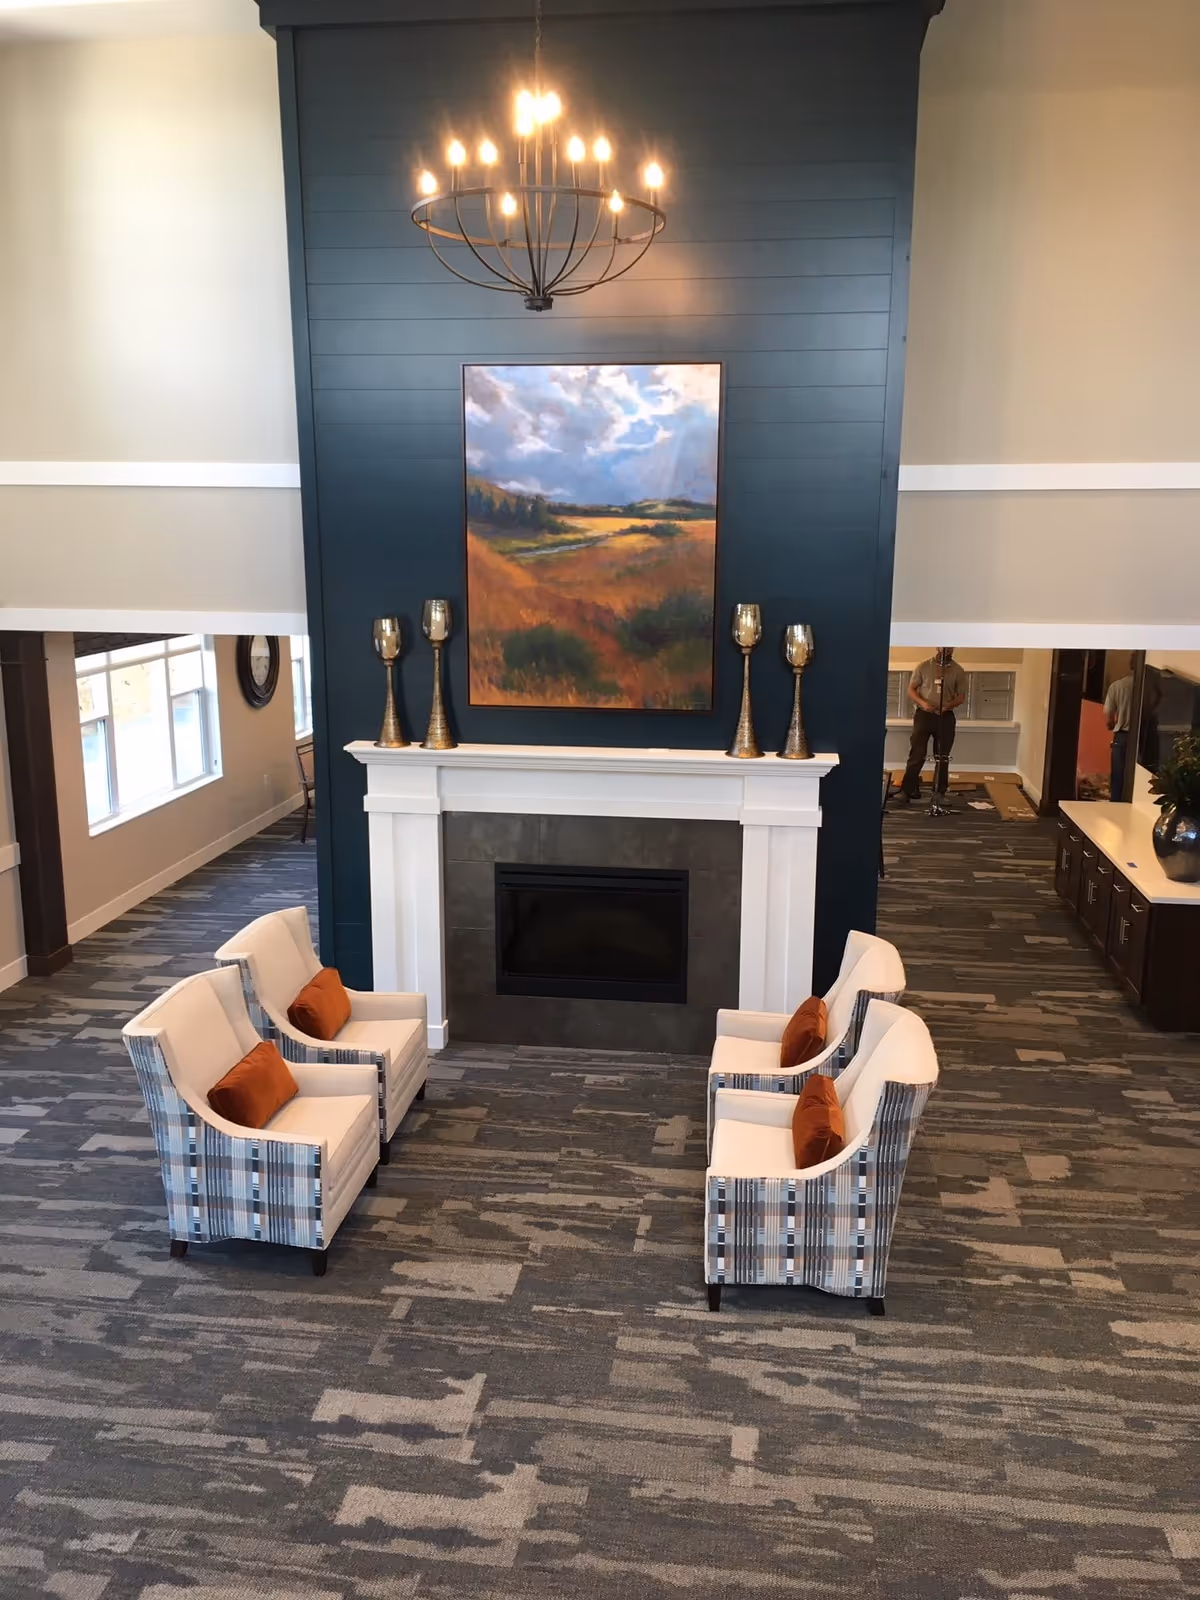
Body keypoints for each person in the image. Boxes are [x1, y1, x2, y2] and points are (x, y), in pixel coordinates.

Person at [896, 647, 967, 804]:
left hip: (945, 717)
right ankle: (907, 791)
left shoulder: (958, 670)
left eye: (949, 647)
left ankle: (939, 793)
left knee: (942, 756)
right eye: (943, 647)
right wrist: (923, 703)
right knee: (917, 754)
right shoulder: (923, 666)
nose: (946, 650)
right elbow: (911, 689)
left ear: (953, 649)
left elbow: (961, 696)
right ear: (937, 647)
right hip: (923, 715)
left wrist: (948, 706)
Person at [1104, 655, 1138, 801]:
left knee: (1118, 776)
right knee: (1138, 777)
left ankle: (1116, 808)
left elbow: (1108, 716)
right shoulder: (1149, 687)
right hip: (1143, 738)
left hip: (1122, 736)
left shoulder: (1117, 686)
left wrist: (1112, 725)